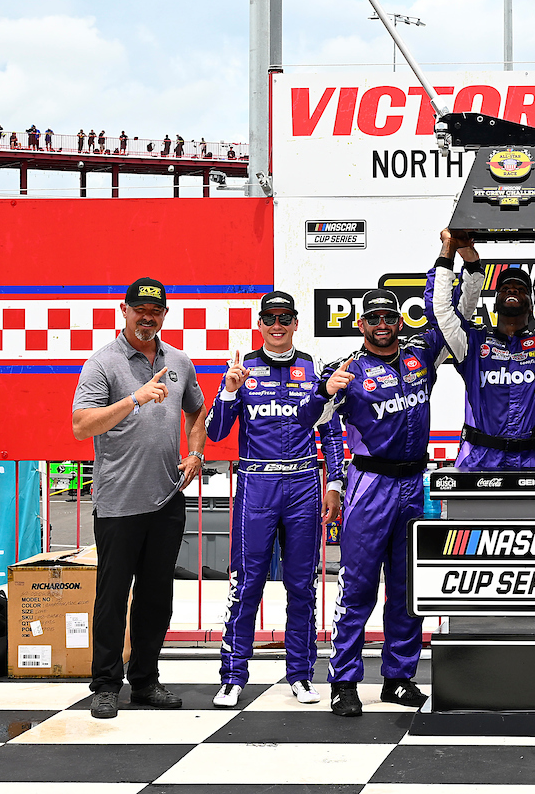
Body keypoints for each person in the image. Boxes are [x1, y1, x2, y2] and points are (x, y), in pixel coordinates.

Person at [298, 286, 475, 716]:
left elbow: (457, 314)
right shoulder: (347, 369)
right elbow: (306, 419)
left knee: (407, 588)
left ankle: (398, 678)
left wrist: (455, 258)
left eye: (388, 318)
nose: (381, 326)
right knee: (357, 588)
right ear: (361, 324)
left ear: (400, 322)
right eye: (372, 319)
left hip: (415, 484)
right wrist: (323, 392)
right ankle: (344, 682)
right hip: (369, 484)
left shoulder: (420, 357)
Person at [71, 277, 208, 719]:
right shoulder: (102, 363)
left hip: (167, 498)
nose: (147, 316)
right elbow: (82, 425)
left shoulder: (179, 361)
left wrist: (195, 452)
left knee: (156, 596)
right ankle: (106, 684)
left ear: (164, 314)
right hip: (118, 501)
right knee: (112, 596)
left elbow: (197, 411)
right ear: (124, 310)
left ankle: (145, 681)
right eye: (139, 309)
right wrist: (134, 398)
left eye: (156, 310)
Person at [205, 291, 345, 709]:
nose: (278, 324)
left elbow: (331, 432)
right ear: (260, 324)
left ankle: (300, 675)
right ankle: (233, 676)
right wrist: (230, 391)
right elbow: (215, 433)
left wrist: (334, 483)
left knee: (302, 585)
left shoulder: (312, 368)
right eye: (270, 318)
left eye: (285, 317)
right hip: (256, 486)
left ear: (297, 323)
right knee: (246, 584)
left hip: (303, 485)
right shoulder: (241, 368)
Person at [425, 228, 535, 469]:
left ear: (532, 305)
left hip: (530, 461)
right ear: (495, 303)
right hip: (477, 460)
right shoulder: (472, 344)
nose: (513, 290)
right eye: (506, 288)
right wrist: (448, 249)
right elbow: (439, 312)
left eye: (521, 289)